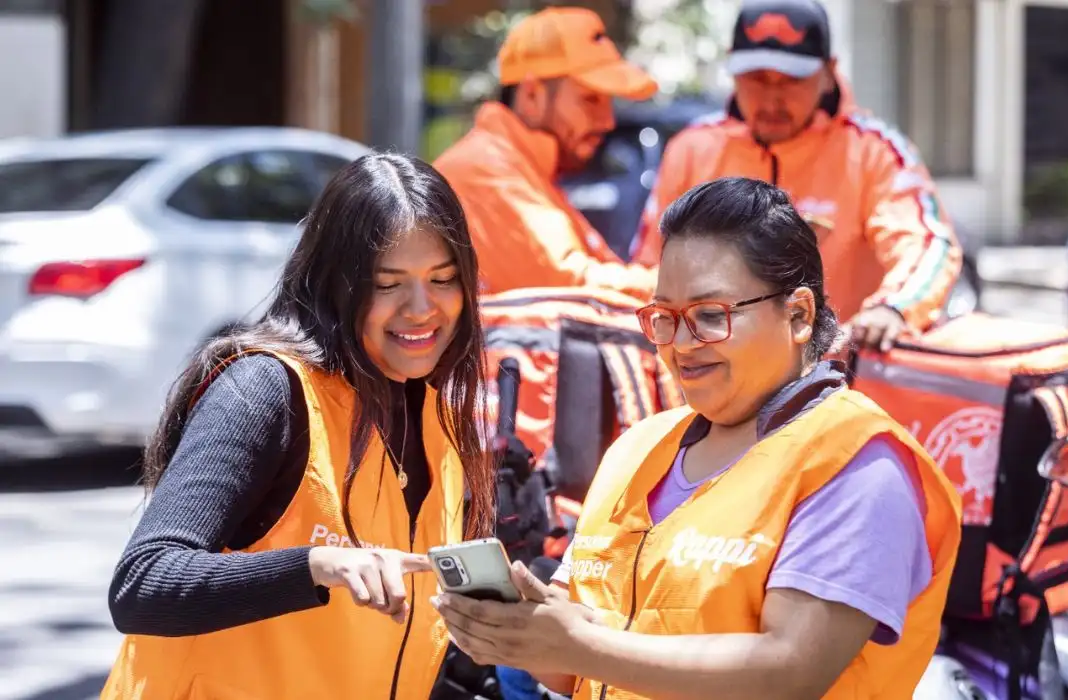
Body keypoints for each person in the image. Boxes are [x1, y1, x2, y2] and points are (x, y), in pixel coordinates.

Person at [432, 177, 964, 699]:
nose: (681, 344)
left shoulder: (857, 463)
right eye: (665, 317)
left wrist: (580, 646)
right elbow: (578, 671)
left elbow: (789, 671)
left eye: (710, 316)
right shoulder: (636, 450)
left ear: (798, 314)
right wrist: (520, 634)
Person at [100, 153, 494, 700]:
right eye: (387, 284)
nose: (422, 308)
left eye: (444, 279)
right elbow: (145, 584)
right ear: (336, 285)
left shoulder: (440, 421)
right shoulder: (264, 390)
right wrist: (316, 566)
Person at [632, 0, 963, 351]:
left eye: (792, 80)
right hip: (718, 380)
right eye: (757, 78)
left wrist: (894, 307)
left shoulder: (874, 151)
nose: (773, 98)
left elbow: (926, 244)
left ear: (828, 72)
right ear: (731, 67)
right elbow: (651, 269)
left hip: (840, 379)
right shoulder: (692, 149)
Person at [434, 6, 660, 299]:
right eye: (590, 100)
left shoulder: (514, 166)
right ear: (532, 95)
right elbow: (573, 289)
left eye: (608, 102)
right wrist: (681, 290)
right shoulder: (484, 169)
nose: (608, 121)